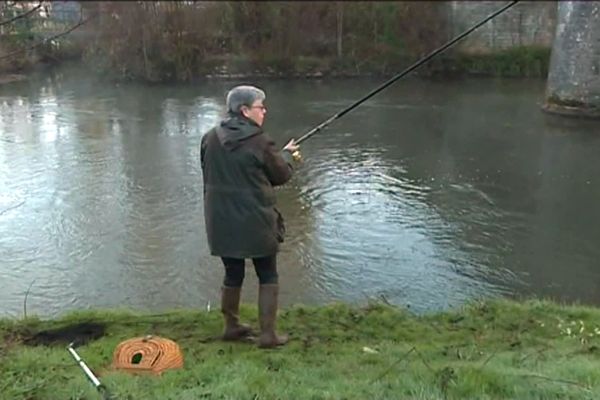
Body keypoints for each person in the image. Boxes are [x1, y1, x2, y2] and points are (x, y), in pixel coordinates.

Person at [200, 85, 300, 348]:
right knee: (267, 273)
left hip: (220, 220)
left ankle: (231, 326)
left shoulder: (210, 137)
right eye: (260, 106)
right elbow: (281, 175)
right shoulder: (260, 141)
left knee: (232, 273)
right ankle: (268, 335)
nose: (264, 111)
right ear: (244, 110)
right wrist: (289, 155)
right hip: (255, 220)